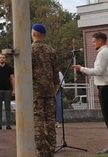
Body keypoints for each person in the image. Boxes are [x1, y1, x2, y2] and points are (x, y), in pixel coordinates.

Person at [73, 32, 108, 154]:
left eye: (94, 41)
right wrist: (88, 72)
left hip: (106, 88)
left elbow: (99, 71)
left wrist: (82, 68)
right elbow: (102, 71)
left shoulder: (103, 53)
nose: (93, 44)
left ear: (100, 41)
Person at [31, 23, 58, 157]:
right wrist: (55, 87)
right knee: (50, 121)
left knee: (38, 121)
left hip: (35, 91)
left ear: (33, 34)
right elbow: (55, 72)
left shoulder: (30, 51)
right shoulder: (51, 50)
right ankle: (51, 150)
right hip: (49, 90)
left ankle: (41, 152)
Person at [0, 53, 15, 130]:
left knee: (8, 107)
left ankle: (8, 124)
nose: (2, 59)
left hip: (7, 89)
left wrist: (14, 89)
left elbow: (12, 79)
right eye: (0, 57)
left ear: (5, 59)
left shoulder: (9, 68)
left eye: (3, 57)